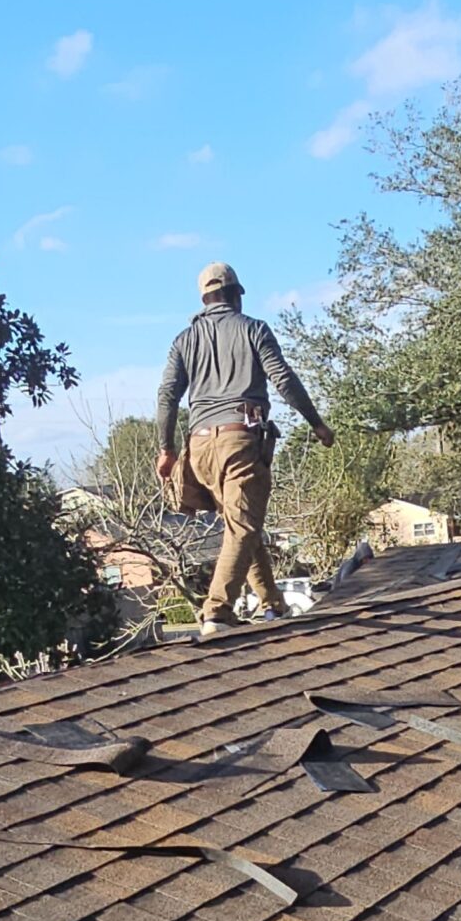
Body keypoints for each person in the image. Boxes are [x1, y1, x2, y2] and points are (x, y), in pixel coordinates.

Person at [154, 262, 336, 640]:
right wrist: (316, 423)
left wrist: (166, 450)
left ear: (205, 299)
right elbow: (283, 378)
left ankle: (272, 605)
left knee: (242, 523)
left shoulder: (183, 340)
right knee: (243, 526)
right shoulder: (253, 328)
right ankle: (217, 612)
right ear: (236, 294)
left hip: (199, 447)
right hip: (239, 439)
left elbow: (167, 396)